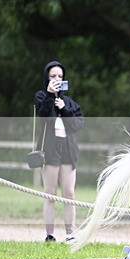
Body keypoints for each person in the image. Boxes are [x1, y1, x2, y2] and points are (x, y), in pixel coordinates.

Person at [34, 61, 84, 242]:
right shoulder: (41, 97)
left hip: (67, 150)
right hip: (50, 150)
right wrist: (49, 95)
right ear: (47, 78)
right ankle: (50, 235)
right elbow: (43, 116)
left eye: (60, 77)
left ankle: (70, 234)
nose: (57, 79)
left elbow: (77, 125)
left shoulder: (69, 102)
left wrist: (64, 108)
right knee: (50, 194)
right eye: (53, 76)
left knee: (69, 194)